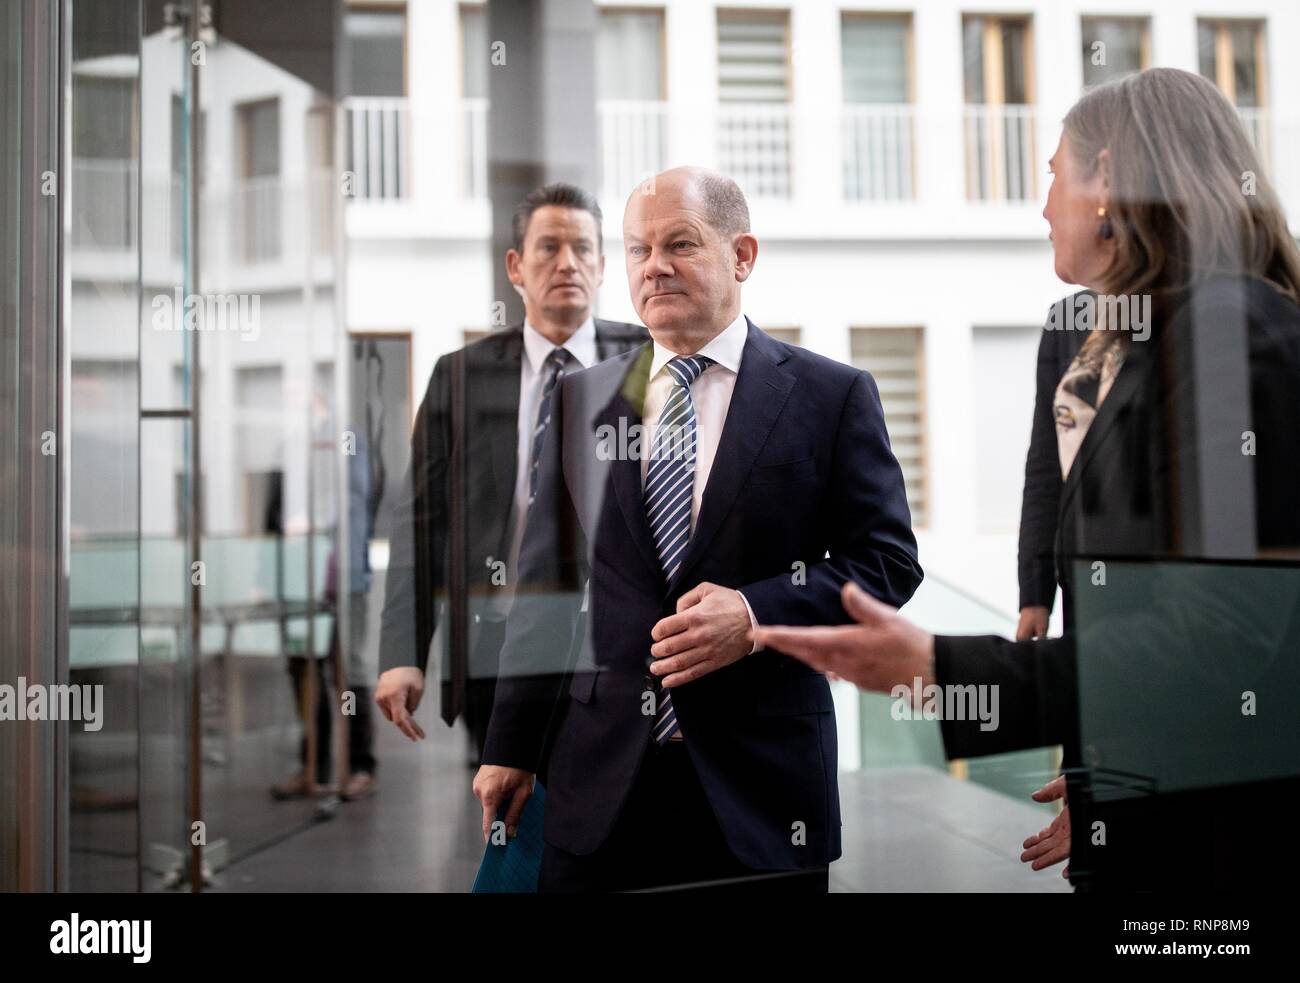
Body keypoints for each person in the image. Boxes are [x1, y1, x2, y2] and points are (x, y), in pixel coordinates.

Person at [752, 68, 1300, 892]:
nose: (1044, 206)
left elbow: (1220, 650)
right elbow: (1152, 621)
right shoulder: (1138, 344)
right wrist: (1104, 778)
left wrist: (940, 668)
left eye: (1053, 174)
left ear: (1109, 178)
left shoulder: (1228, 337)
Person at [473, 166, 923, 893]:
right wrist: (510, 746)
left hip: (763, 789)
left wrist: (754, 615)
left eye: (680, 244)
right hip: (599, 784)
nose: (653, 266)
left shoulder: (830, 395)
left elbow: (888, 562)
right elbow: (546, 586)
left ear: (741, 255)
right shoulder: (584, 397)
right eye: (637, 249)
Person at [374, 183, 646, 766]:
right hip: (497, 643)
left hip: (617, 640)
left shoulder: (650, 363)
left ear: (602, 267)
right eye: (549, 247)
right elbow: (420, 525)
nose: (567, 263)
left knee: (606, 813)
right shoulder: (459, 376)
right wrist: (403, 653)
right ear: (516, 267)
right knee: (508, 810)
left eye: (583, 248)